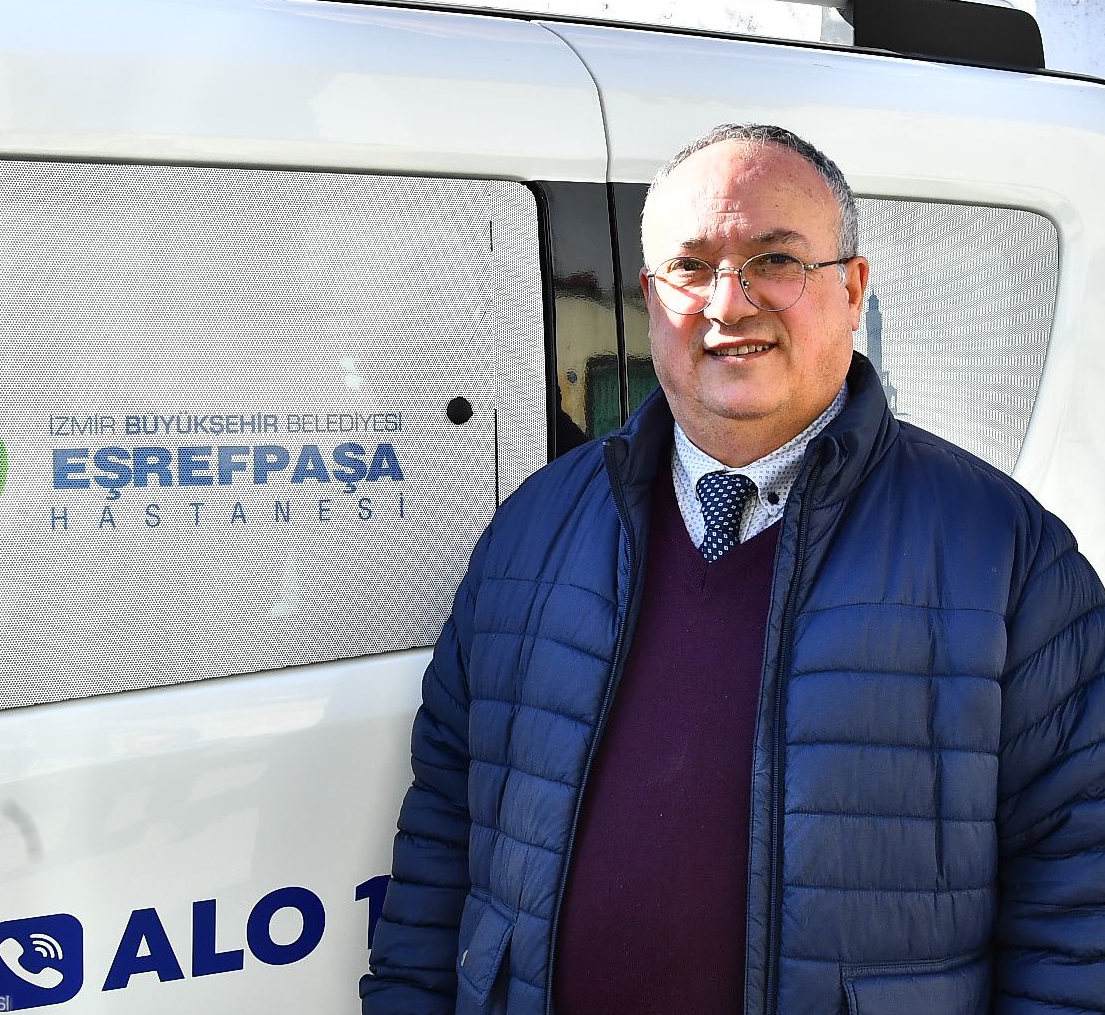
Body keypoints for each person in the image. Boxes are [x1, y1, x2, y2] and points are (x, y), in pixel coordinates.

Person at [360, 123, 1105, 1014]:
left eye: (774, 261)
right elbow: (443, 836)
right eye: (691, 266)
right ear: (650, 297)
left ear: (852, 289)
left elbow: (1081, 894)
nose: (729, 303)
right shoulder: (534, 528)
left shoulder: (1005, 553)